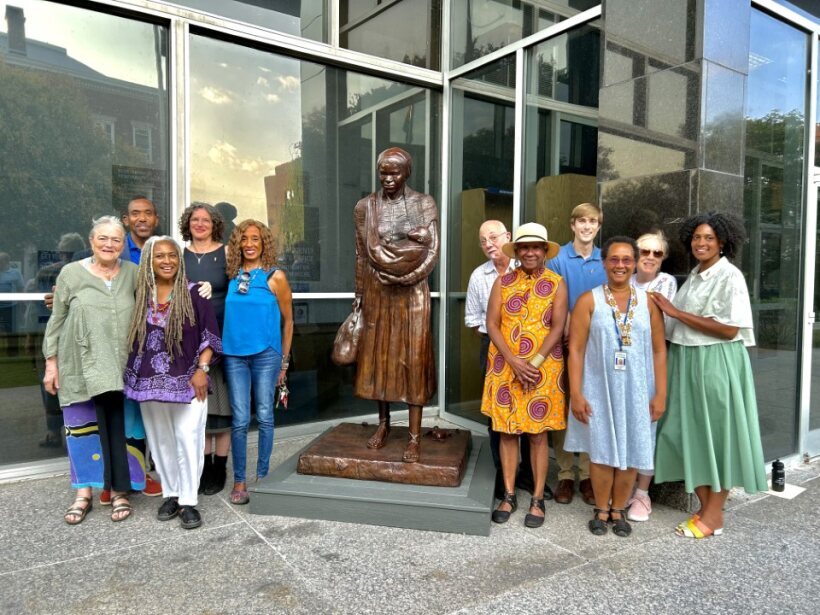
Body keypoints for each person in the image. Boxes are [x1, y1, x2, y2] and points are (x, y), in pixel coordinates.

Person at [652, 212, 767, 539]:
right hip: (687, 359)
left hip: (715, 362)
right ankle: (708, 509)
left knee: (717, 437)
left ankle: (713, 515)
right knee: (682, 433)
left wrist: (675, 312)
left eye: (709, 238)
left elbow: (730, 328)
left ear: (722, 242)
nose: (701, 243)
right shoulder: (697, 273)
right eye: (696, 237)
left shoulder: (729, 276)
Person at [42, 216, 143, 524]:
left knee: (119, 430)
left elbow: (159, 301)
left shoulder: (133, 274)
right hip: (80, 366)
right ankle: (83, 493)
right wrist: (51, 363)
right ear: (91, 241)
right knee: (81, 429)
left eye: (115, 239)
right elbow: (56, 320)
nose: (109, 245)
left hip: (120, 366)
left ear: (123, 243)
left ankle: (119, 492)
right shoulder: (71, 273)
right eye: (103, 238)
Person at [564, 236, 667, 537]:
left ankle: (619, 507)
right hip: (598, 387)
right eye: (614, 259)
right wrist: (577, 393)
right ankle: (600, 508)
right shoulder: (588, 301)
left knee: (632, 448)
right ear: (604, 262)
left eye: (626, 259)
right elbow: (576, 351)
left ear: (634, 264)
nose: (620, 265)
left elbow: (660, 350)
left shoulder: (648, 302)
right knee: (601, 450)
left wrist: (660, 393)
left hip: (639, 389)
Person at [124, 237, 221, 530]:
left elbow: (210, 336)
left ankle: (189, 501)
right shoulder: (141, 294)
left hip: (189, 381)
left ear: (180, 260)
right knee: (160, 440)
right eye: (159, 256)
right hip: (148, 384)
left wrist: (202, 369)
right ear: (148, 263)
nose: (167, 261)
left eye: (172, 256)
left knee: (188, 438)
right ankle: (172, 493)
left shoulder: (195, 294)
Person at [351, 147, 439, 463]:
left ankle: (415, 436)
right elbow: (361, 255)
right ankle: (384, 424)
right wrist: (359, 296)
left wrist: (407, 277)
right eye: (383, 173)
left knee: (412, 361)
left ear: (407, 173)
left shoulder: (423, 203)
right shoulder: (364, 207)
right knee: (380, 359)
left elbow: (432, 251)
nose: (388, 179)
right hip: (377, 292)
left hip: (413, 293)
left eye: (395, 173)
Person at [482, 223, 567, 528]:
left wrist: (534, 361)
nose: (530, 252)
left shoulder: (557, 283)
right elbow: (492, 324)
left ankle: (537, 498)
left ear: (545, 251)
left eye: (536, 247)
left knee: (538, 434)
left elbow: (558, 327)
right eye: (524, 247)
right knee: (506, 432)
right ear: (516, 251)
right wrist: (514, 361)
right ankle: (508, 493)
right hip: (506, 365)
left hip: (542, 369)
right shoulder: (503, 283)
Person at [465, 220, 551, 499]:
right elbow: (473, 319)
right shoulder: (479, 276)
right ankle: (504, 479)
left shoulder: (530, 268)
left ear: (507, 238)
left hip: (533, 350)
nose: (488, 243)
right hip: (494, 348)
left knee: (530, 416)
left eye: (493, 237)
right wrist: (502, 339)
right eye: (482, 240)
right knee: (499, 418)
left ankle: (528, 476)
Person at [223, 219, 293, 505]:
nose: (249, 244)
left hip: (266, 355)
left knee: (264, 415)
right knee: (239, 420)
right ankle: (239, 480)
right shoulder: (231, 275)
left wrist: (284, 363)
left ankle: (262, 477)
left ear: (264, 243)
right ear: (238, 243)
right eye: (244, 239)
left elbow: (288, 322)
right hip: (234, 355)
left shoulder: (275, 276)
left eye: (255, 239)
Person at [546, 203, 606, 506]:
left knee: (592, 408)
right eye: (581, 220)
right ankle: (566, 474)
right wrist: (571, 330)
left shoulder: (605, 260)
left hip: (599, 348)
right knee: (566, 408)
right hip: (567, 344)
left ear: (598, 226)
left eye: (592, 221)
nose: (587, 226)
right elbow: (558, 302)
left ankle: (587, 474)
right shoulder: (557, 259)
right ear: (572, 225)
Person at [625, 231, 678, 522]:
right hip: (620, 365)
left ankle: (642, 494)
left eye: (657, 253)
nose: (650, 257)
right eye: (644, 251)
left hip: (649, 365)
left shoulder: (666, 283)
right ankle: (624, 485)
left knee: (647, 428)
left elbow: (660, 326)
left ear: (663, 258)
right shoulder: (622, 279)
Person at [179, 203, 231, 495]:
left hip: (221, 339)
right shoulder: (179, 253)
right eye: (195, 219)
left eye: (206, 220)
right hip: (187, 342)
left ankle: (218, 466)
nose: (200, 224)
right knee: (196, 407)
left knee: (221, 407)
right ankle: (200, 464)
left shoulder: (226, 254)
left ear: (215, 225)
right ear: (188, 223)